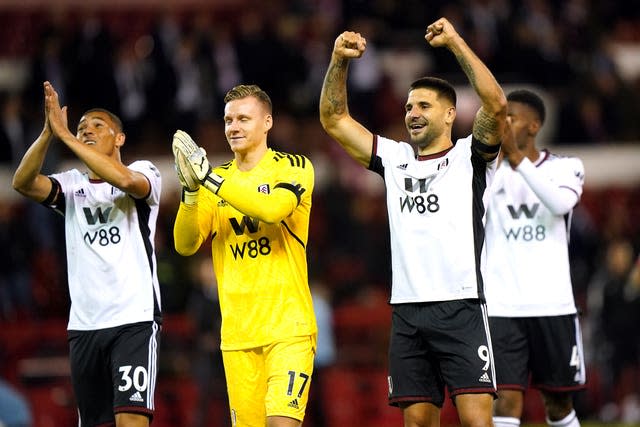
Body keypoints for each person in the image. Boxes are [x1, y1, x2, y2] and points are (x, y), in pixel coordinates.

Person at [319, 17, 506, 427]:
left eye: (423, 106)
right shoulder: (394, 158)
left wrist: (456, 42)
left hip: (460, 307)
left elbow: (496, 105)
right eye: (408, 107)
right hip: (407, 311)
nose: (412, 114)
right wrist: (338, 62)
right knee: (418, 422)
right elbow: (334, 119)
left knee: (478, 422)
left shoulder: (468, 157)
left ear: (449, 114)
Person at [12, 81, 162, 427]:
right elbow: (22, 183)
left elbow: (127, 183)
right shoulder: (71, 185)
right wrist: (49, 134)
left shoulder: (145, 172)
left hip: (133, 320)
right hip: (84, 325)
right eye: (81, 128)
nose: (87, 131)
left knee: (131, 422)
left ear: (119, 138)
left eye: (97, 126)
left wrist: (67, 138)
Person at [172, 84, 316, 427]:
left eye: (243, 119)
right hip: (237, 336)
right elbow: (185, 244)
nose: (233, 127)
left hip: (288, 329)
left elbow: (271, 209)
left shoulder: (293, 167)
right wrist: (192, 192)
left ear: (267, 122)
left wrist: (207, 179)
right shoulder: (215, 178)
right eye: (228, 120)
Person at [483, 89, 586, 427]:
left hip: (552, 305)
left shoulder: (566, 168)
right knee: (506, 403)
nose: (504, 122)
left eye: (511, 116)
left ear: (534, 125)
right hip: (502, 307)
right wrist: (502, 162)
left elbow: (558, 204)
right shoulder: (487, 174)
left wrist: (517, 161)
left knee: (557, 403)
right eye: (501, 116)